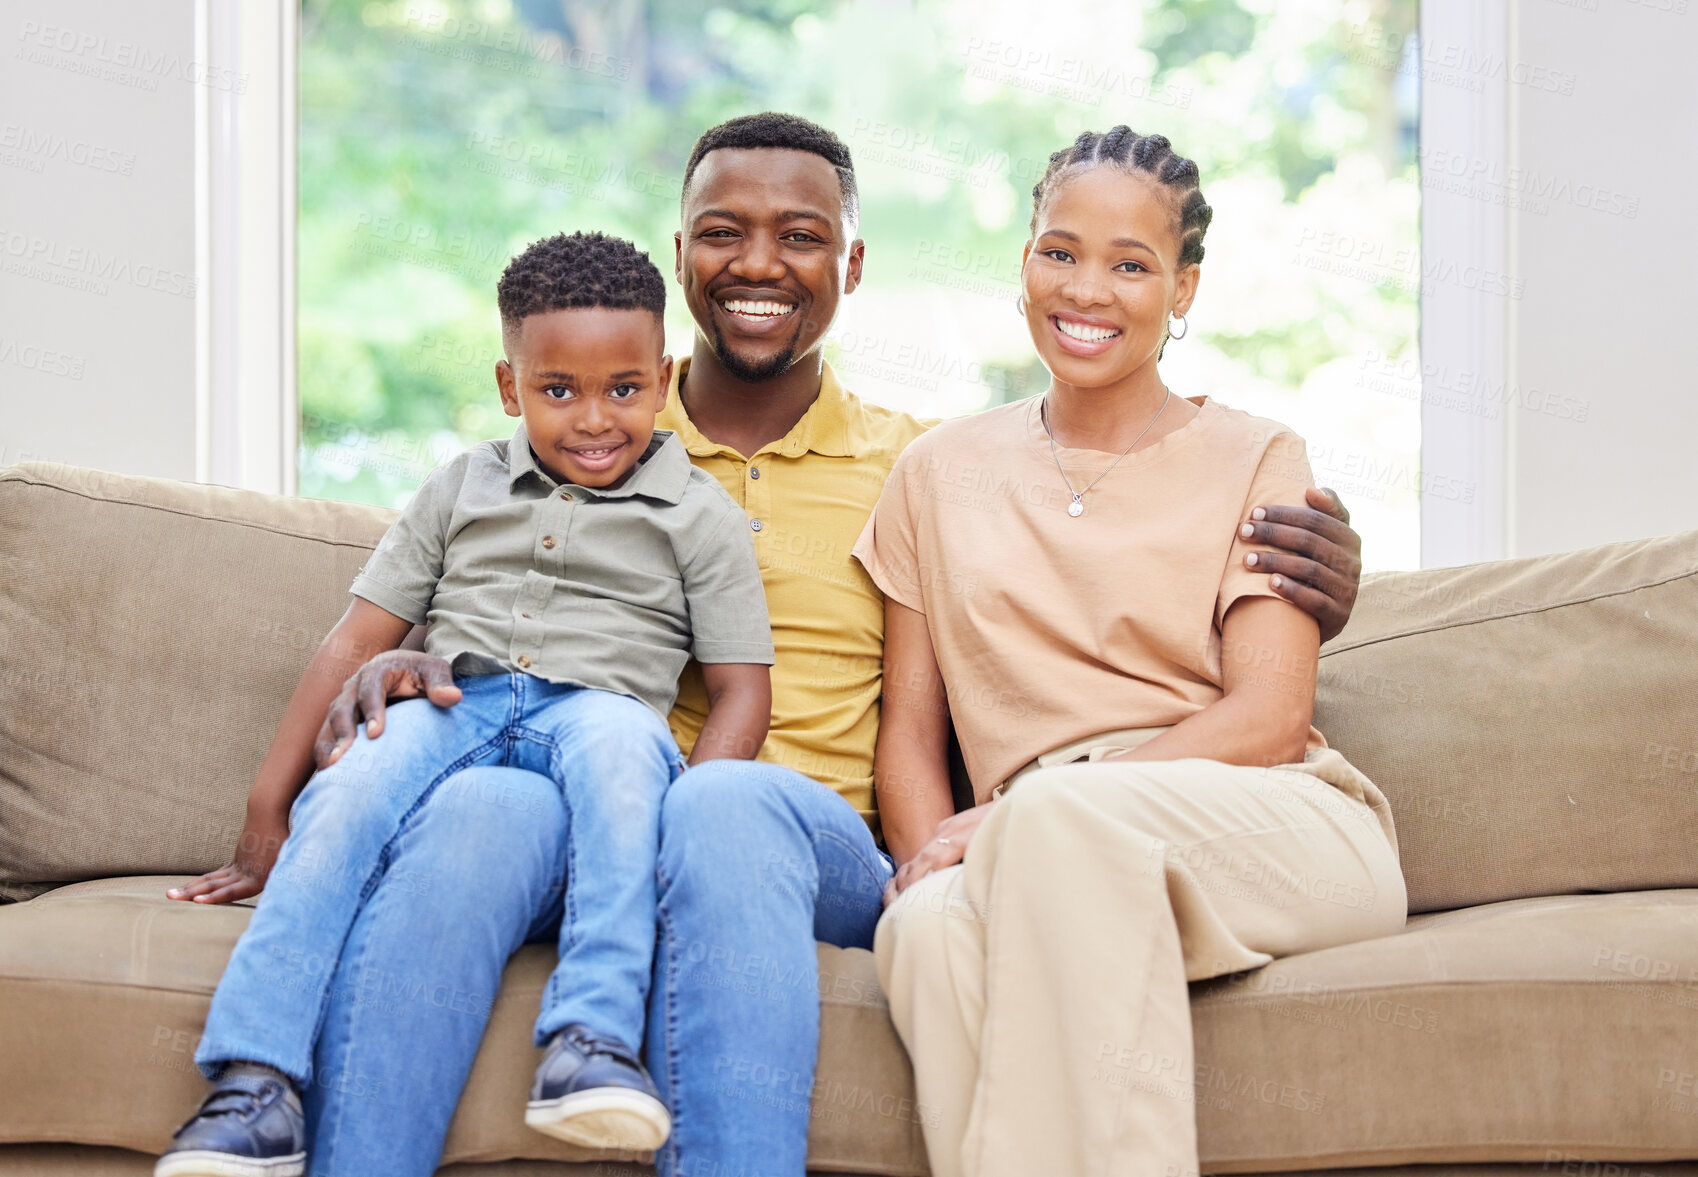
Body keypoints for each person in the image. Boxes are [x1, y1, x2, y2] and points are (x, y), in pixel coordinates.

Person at [217, 114, 1368, 1177]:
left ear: (852, 266)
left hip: (794, 838)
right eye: (725, 234)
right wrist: (402, 657)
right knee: (477, 812)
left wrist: (1327, 580)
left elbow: (1133, 613)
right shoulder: (590, 423)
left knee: (724, 805)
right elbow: (471, 586)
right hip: (584, 809)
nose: (760, 265)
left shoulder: (913, 461)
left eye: (803, 237)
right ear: (680, 260)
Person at [156, 232, 774, 1177]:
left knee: (623, 749)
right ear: (507, 384)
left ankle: (593, 1042)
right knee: (356, 776)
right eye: (557, 390)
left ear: (663, 377)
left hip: (599, 710)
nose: (594, 418)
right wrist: (262, 808)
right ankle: (254, 1085)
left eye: (623, 388)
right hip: (455, 690)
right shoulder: (464, 484)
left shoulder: (700, 512)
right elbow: (357, 643)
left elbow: (741, 687)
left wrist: (686, 826)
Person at [857, 127, 1407, 1177]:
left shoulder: (1259, 454)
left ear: (1184, 290)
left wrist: (1018, 817)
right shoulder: (936, 471)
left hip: (1265, 825)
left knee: (1060, 822)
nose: (1087, 289)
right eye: (1060, 252)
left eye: (1130, 264)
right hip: (1042, 847)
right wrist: (933, 863)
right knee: (924, 934)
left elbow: (1270, 717)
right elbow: (910, 743)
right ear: (1023, 258)